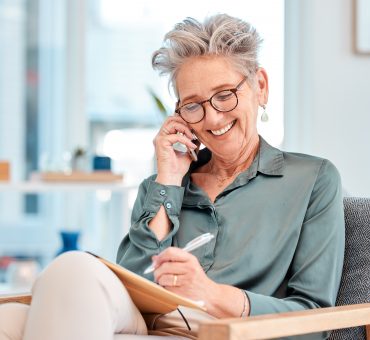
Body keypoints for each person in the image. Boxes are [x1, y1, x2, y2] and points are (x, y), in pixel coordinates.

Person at [0, 14, 344, 340]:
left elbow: (313, 320)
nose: (211, 119)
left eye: (224, 95)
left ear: (261, 87)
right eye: (193, 105)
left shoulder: (312, 179)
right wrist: (169, 181)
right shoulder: (164, 184)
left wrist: (211, 294)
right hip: (147, 324)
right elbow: (132, 284)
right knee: (45, 289)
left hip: (222, 330)